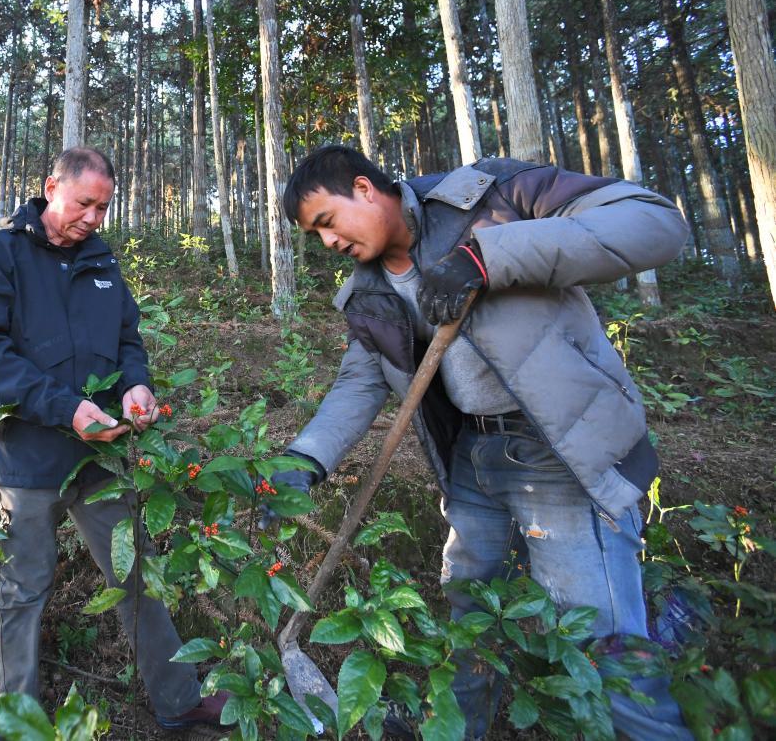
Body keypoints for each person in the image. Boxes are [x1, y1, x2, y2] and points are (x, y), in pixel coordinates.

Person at [270, 146, 692, 739]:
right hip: (472, 458)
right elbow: (361, 381)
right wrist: (306, 457)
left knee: (601, 640)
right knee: (471, 615)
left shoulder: (491, 196)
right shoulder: (368, 291)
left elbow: (652, 221)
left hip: (559, 453)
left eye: (327, 222)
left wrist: (486, 256)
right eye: (316, 236)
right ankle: (453, 727)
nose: (328, 243)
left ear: (364, 189)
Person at [0, 146, 227, 731]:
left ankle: (179, 702)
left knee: (136, 574)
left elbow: (128, 338)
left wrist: (136, 386)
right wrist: (64, 408)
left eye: (103, 208)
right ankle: (19, 722)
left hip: (102, 458)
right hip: (25, 463)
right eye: (85, 203)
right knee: (22, 592)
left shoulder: (103, 263)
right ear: (51, 186)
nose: (93, 218)